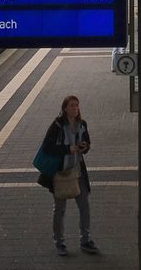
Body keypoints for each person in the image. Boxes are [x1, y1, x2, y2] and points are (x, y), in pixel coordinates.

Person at [41, 95, 99, 256]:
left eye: (77, 106)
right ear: (65, 108)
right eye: (72, 106)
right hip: (61, 173)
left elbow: (87, 143)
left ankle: (85, 240)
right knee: (59, 209)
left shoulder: (82, 125)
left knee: (84, 206)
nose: (75, 109)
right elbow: (47, 147)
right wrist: (68, 149)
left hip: (78, 171)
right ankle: (59, 242)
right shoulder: (57, 126)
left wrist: (84, 147)